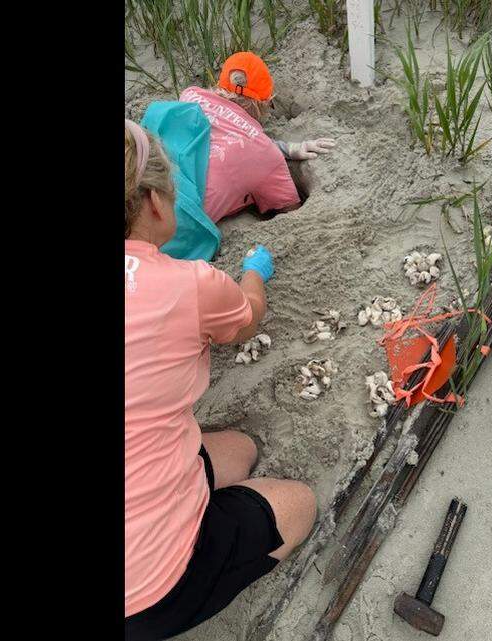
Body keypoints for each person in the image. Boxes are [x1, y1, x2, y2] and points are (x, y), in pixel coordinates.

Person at [124, 118, 317, 640]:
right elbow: (248, 316)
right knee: (299, 503)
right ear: (156, 203)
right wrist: (254, 271)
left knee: (238, 450)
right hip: (143, 592)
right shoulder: (189, 285)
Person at [178, 51, 336, 223]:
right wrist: (276, 152)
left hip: (152, 184)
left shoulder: (189, 96)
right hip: (177, 228)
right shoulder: (266, 156)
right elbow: (292, 215)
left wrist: (285, 148)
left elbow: (225, 130)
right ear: (262, 104)